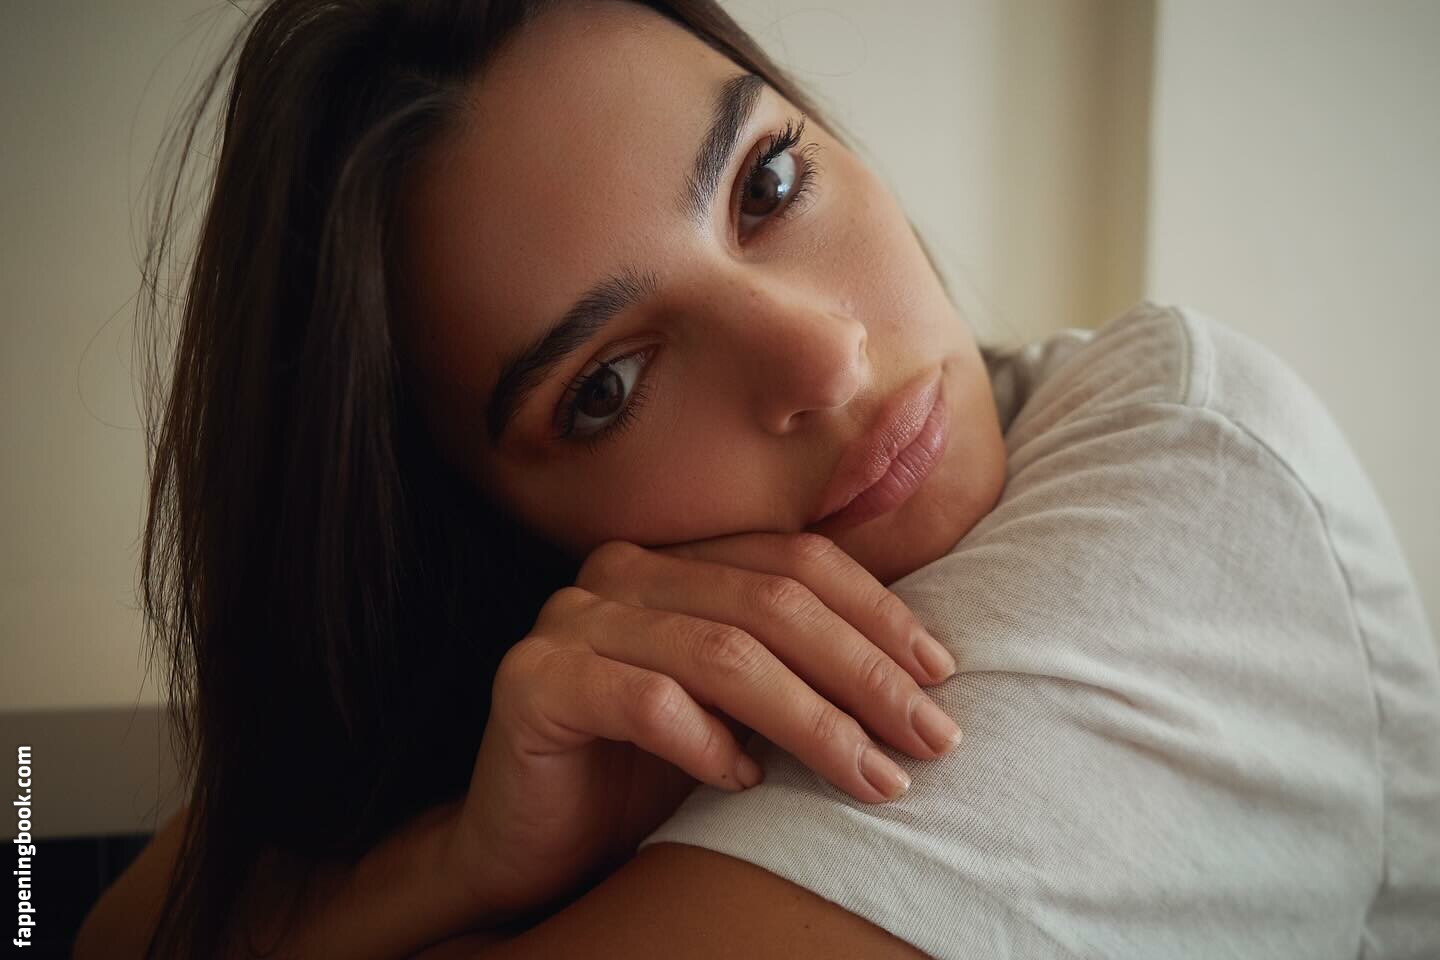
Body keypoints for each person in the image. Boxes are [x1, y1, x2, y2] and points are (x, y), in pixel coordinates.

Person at [74, 1, 1439, 958]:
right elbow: (102, 928)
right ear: (485, 534)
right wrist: (460, 860)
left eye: (768, 184)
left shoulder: (1192, 464)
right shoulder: (576, 686)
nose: (825, 357)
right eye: (606, 387)